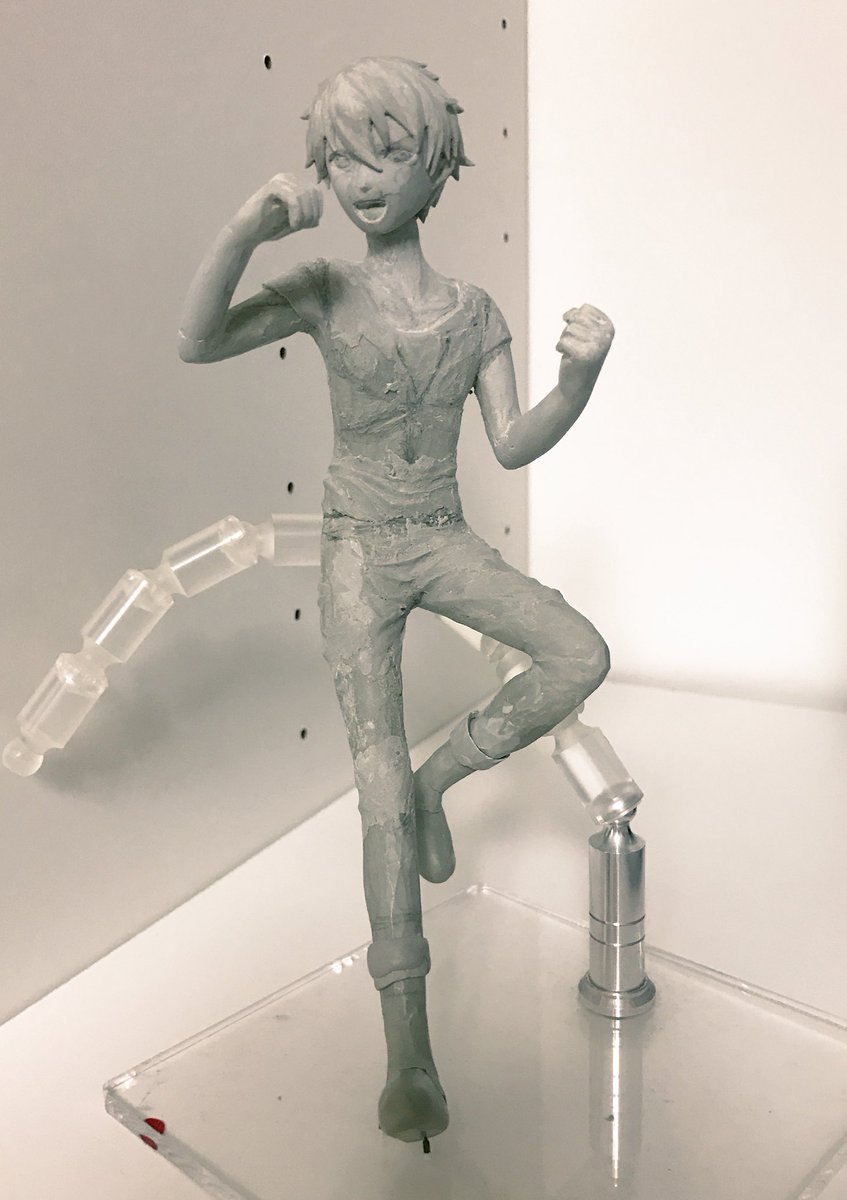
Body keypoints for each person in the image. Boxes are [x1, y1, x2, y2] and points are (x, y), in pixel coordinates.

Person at [178, 56, 614, 1147]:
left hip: (441, 538)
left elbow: (510, 443)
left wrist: (576, 383)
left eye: (387, 153)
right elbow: (197, 339)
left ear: (436, 166)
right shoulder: (325, 287)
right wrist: (244, 229)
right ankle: (408, 1053)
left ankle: (439, 778)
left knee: (577, 653)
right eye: (341, 159)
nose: (362, 178)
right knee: (373, 797)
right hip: (358, 557)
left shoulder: (472, 313)